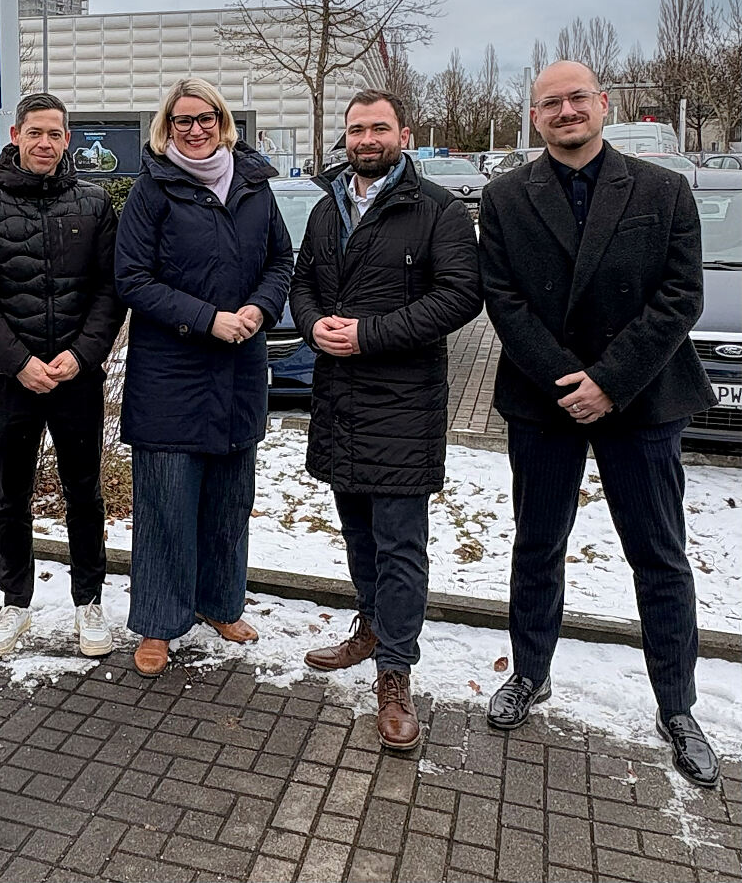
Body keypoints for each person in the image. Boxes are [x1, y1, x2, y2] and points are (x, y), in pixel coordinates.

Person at [479, 61, 719, 788]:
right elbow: (503, 298)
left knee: (659, 555)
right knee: (537, 544)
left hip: (640, 400)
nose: (564, 111)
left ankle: (676, 706)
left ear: (602, 105)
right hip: (545, 400)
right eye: (548, 103)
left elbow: (679, 297)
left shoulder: (662, 189)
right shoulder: (503, 197)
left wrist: (608, 383)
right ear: (533, 117)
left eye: (576, 97)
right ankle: (530, 672)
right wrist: (568, 383)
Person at [290, 89, 481, 750]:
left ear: (403, 132)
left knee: (401, 544)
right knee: (359, 536)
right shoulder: (325, 208)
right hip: (339, 400)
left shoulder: (437, 211)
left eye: (377, 127)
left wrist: (367, 334)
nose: (365, 139)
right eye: (355, 129)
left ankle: (394, 673)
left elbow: (459, 296)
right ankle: (370, 628)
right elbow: (303, 284)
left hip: (401, 403)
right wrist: (314, 326)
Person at [115, 77, 294, 677]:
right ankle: (159, 624)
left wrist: (259, 310)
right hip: (171, 374)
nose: (197, 129)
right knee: (166, 504)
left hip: (239, 368)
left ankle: (220, 603)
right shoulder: (151, 191)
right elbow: (132, 279)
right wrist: (207, 319)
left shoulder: (254, 187)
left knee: (228, 500)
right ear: (167, 127)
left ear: (224, 122)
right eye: (184, 119)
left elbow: (280, 261)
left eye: (207, 118)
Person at [0, 92, 126, 660]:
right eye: (35, 133)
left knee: (83, 493)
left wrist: (83, 355)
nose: (45, 143)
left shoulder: (95, 206)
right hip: (10, 380)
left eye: (55, 134)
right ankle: (14, 602)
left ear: (67, 139)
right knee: (12, 496)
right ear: (16, 137)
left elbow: (110, 289)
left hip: (76, 377)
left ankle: (88, 602)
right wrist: (18, 362)